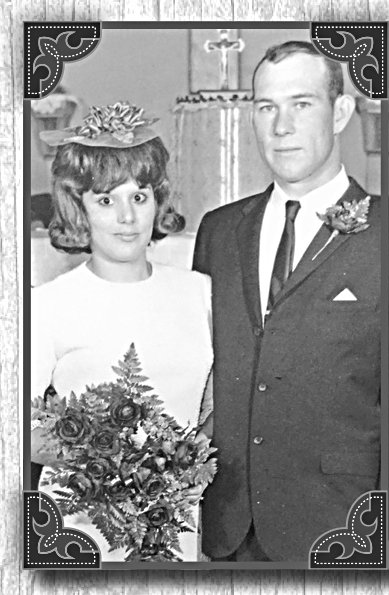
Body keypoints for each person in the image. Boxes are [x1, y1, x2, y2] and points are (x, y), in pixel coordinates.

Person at [193, 41, 381, 562]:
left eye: (301, 104)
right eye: (265, 107)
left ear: (340, 112)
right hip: (229, 529)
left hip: (346, 526)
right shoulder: (219, 230)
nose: (280, 127)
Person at [31, 102, 213, 561]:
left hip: (174, 523)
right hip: (79, 525)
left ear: (159, 200)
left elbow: (219, 406)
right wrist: (107, 464)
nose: (127, 217)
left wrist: (183, 469)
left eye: (140, 196)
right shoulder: (48, 303)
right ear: (79, 207)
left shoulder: (202, 293)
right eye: (106, 200)